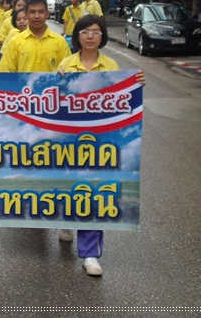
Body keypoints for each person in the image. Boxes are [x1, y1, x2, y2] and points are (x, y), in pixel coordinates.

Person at [57, 14, 145, 276]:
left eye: (95, 31)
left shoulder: (112, 65)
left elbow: (124, 100)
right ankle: (64, 220)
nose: (90, 36)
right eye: (85, 31)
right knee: (67, 187)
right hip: (68, 140)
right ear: (78, 36)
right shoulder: (65, 64)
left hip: (100, 142)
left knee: (94, 192)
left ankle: (90, 254)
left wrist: (136, 85)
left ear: (102, 35)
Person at [0, 0, 71, 73]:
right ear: (26, 14)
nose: (37, 16)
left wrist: (64, 72)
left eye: (41, 12)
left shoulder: (60, 42)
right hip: (24, 85)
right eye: (32, 12)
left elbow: (69, 71)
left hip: (51, 85)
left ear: (47, 14)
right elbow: (5, 74)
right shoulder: (15, 42)